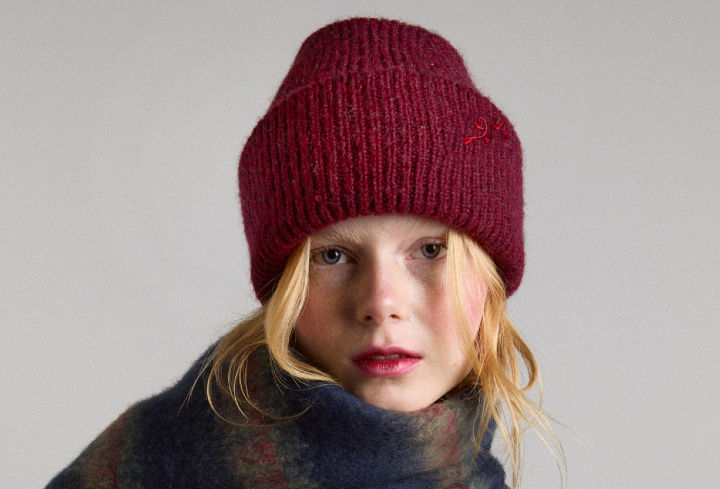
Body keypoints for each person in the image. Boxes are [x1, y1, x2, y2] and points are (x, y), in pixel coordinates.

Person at [46, 17, 556, 489]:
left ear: (491, 275)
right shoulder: (149, 464)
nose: (381, 303)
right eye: (331, 256)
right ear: (283, 286)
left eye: (430, 250)